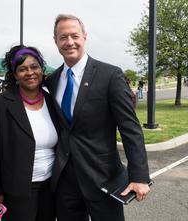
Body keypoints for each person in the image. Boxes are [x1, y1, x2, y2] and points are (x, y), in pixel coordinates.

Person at [45, 14, 151, 221]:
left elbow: (130, 128)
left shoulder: (110, 75)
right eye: (62, 37)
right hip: (65, 182)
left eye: (74, 35)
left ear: (84, 36)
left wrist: (139, 177)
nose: (69, 42)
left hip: (103, 178)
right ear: (55, 41)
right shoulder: (52, 80)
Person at [0, 45, 58, 221]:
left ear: (41, 69)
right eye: (22, 69)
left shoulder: (52, 101)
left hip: (51, 188)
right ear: (15, 74)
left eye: (34, 67)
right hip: (16, 191)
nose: (30, 72)